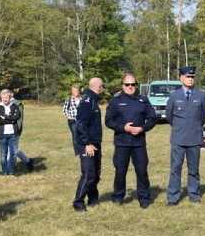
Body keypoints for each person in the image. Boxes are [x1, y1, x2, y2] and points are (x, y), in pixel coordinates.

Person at [105, 74, 156, 208]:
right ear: (122, 86)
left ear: (136, 86)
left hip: (139, 143)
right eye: (127, 84)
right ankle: (118, 196)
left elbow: (152, 119)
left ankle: (144, 198)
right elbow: (108, 121)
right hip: (122, 142)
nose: (130, 87)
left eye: (133, 84)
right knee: (120, 171)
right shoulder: (116, 101)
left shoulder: (143, 100)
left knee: (142, 171)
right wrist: (123, 128)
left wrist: (142, 128)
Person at [166, 66, 205, 205]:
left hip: (194, 137)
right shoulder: (174, 95)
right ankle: (173, 197)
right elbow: (169, 116)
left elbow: (204, 115)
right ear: (181, 78)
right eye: (187, 77)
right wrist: (180, 127)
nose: (190, 79)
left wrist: (194, 127)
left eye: (192, 77)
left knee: (193, 169)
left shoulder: (201, 95)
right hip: (178, 138)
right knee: (175, 169)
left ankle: (194, 195)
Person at [73, 77, 104, 211]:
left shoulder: (94, 101)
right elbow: (80, 125)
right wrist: (87, 143)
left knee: (96, 174)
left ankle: (93, 199)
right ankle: (78, 202)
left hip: (95, 143)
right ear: (97, 87)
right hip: (88, 144)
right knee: (89, 174)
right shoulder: (87, 102)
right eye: (101, 86)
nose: (102, 89)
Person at [0, 89, 22, 176]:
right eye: (3, 97)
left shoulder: (14, 106)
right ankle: (4, 171)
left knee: (12, 153)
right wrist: (10, 119)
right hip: (2, 134)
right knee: (3, 154)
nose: (5, 99)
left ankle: (11, 171)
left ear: (10, 98)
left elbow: (17, 117)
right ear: (1, 98)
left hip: (13, 133)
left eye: (7, 97)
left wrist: (5, 117)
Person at [11, 96, 35, 172]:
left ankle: (12, 168)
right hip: (4, 131)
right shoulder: (3, 104)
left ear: (11, 94)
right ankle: (27, 161)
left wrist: (17, 130)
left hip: (15, 130)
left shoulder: (18, 104)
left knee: (14, 150)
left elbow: (19, 120)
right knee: (9, 150)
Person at [63, 85, 81, 154]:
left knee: (82, 134)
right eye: (74, 91)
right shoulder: (69, 99)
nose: (76, 92)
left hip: (81, 120)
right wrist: (68, 117)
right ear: (72, 92)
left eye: (77, 90)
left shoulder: (82, 99)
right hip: (72, 121)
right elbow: (65, 110)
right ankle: (77, 151)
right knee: (75, 135)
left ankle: (82, 147)